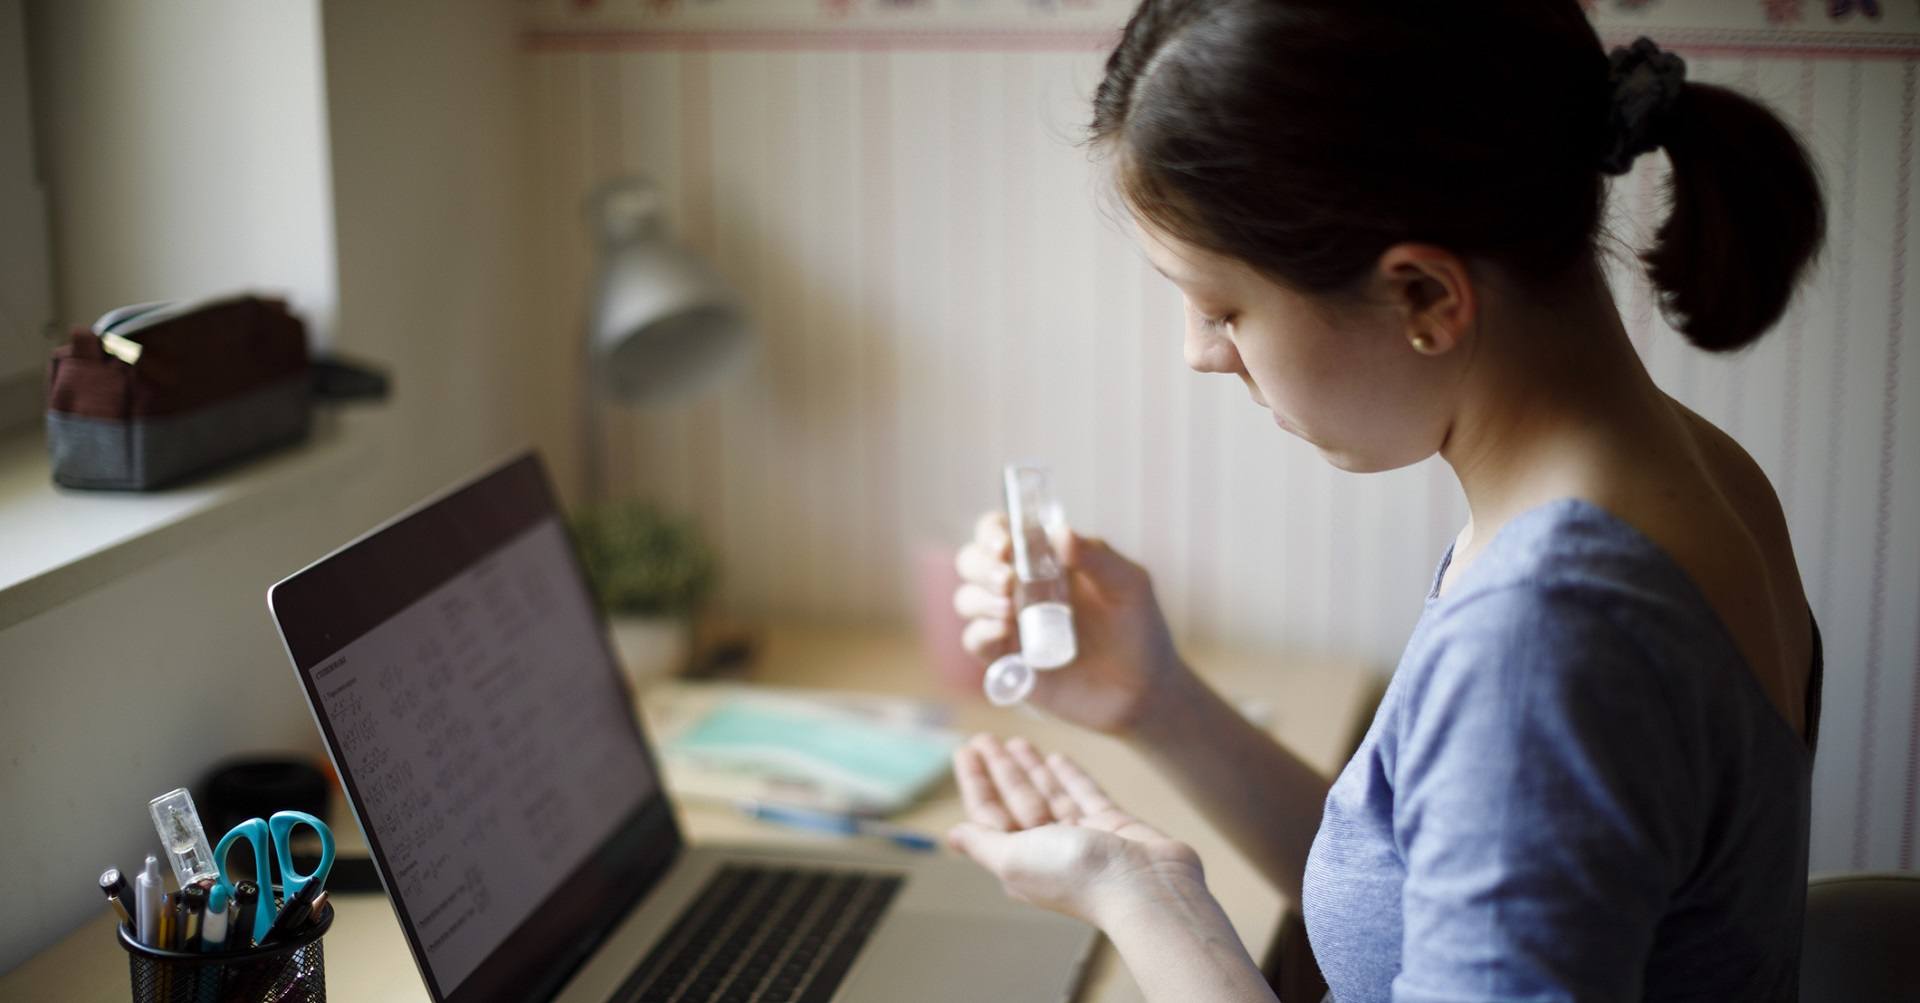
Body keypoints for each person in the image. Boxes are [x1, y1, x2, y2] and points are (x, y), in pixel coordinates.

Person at [944, 2, 1827, 1001]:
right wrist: (1158, 699)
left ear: (1424, 297)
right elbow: (1437, 889)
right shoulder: (1682, 473)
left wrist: (1145, 900)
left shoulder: (1547, 633)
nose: (1199, 353)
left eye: (1223, 306)